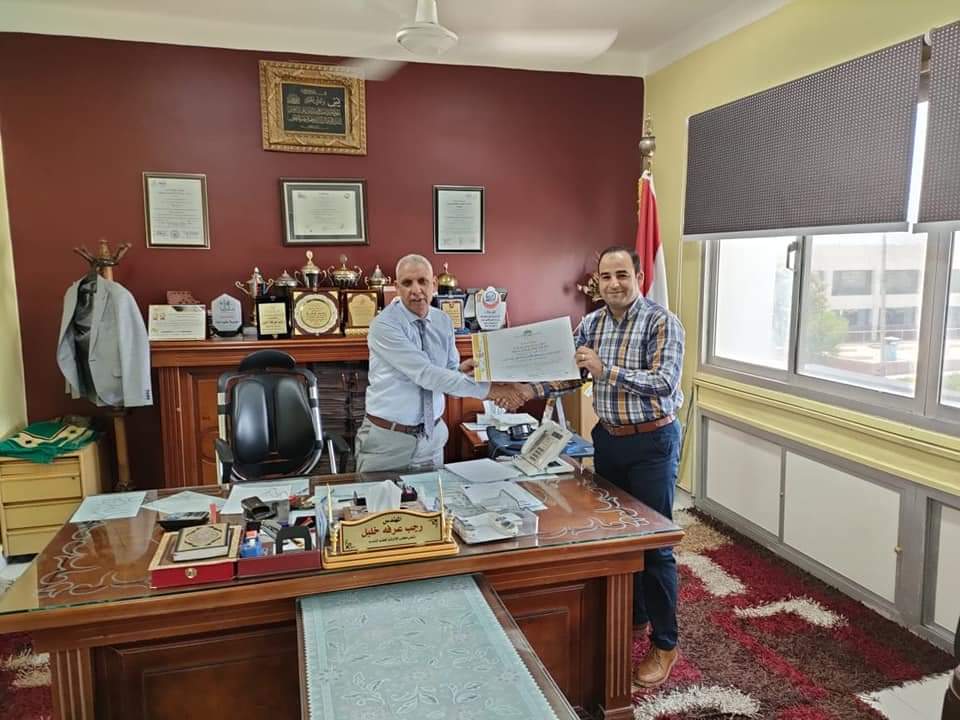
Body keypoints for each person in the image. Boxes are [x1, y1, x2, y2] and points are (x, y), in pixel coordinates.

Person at [522, 245, 685, 687]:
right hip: (609, 440)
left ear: (639, 278)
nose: (614, 283)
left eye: (622, 274)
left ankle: (665, 644)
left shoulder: (661, 322)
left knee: (654, 542)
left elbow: (664, 383)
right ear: (598, 282)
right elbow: (568, 374)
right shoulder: (591, 324)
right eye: (607, 276)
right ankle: (634, 615)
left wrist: (605, 370)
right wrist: (520, 388)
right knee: (616, 534)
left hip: (652, 441)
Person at [356, 254, 523, 472]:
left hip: (432, 438)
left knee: (435, 495)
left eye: (422, 281)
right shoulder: (384, 325)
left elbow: (447, 374)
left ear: (434, 284)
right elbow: (426, 374)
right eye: (407, 283)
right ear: (396, 288)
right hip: (389, 441)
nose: (416, 290)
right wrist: (494, 391)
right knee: (382, 496)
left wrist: (461, 371)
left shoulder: (443, 321)